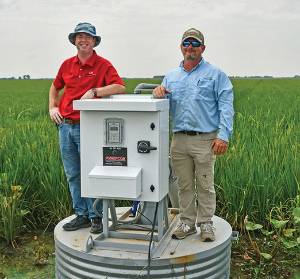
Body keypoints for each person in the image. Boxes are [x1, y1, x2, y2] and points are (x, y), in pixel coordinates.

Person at [153, 28, 234, 241]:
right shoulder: (171, 77)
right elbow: (162, 103)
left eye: (195, 44)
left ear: (203, 48)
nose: (190, 47)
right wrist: (157, 92)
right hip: (179, 140)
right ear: (181, 47)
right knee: (184, 184)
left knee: (205, 183)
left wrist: (223, 135)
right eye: (186, 43)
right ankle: (187, 222)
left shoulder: (216, 74)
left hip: (205, 139)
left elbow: (226, 106)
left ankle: (206, 223)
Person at [48, 22, 125, 234]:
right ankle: (81, 215)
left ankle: (96, 217)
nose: (84, 40)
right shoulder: (66, 65)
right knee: (73, 173)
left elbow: (119, 86)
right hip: (65, 127)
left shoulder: (103, 65)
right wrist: (52, 107)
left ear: (94, 41)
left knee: (91, 172)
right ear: (74, 40)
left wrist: (96, 91)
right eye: (80, 37)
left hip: (88, 127)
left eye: (88, 37)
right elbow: (55, 87)